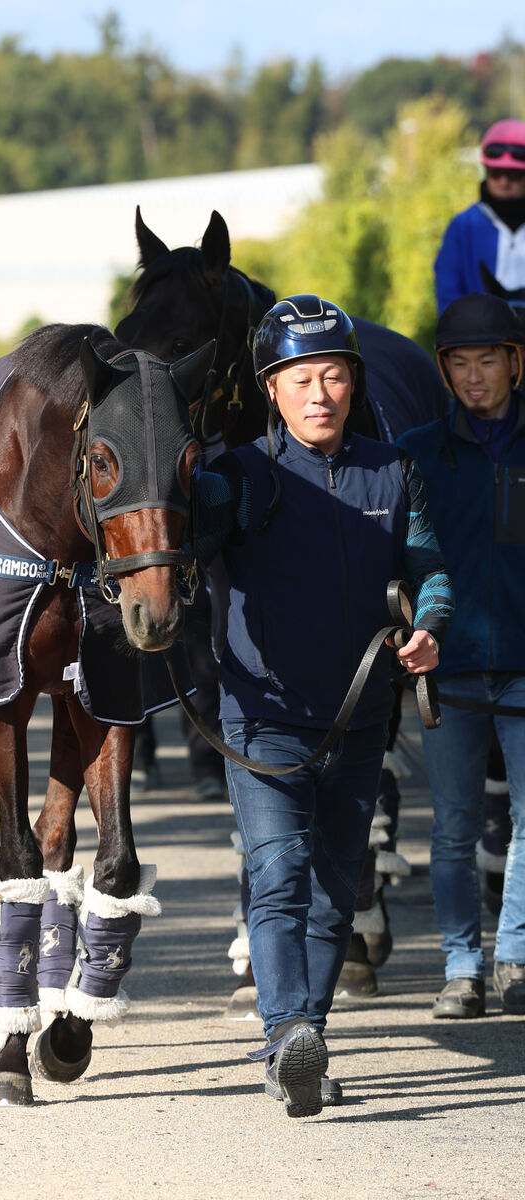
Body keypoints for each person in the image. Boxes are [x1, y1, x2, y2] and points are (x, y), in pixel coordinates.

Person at [195, 294, 453, 1117]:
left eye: (334, 375)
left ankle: (304, 1041)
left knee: (338, 886)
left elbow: (430, 572)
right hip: (262, 718)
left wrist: (429, 628)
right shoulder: (236, 478)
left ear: (353, 383)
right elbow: (165, 543)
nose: (319, 393)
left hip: (361, 716)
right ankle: (286, 1038)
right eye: (301, 377)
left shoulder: (391, 469)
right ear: (270, 389)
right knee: (278, 876)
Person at [397, 291, 525, 1020]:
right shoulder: (417, 453)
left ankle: (513, 955)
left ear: (515, 362)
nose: (474, 377)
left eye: (487, 361)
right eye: (458, 364)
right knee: (451, 824)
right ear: (444, 372)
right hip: (447, 667)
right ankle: (460, 966)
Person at [434, 118, 525, 314]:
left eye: (514, 175)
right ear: (486, 172)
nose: (503, 182)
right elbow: (448, 302)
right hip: (481, 341)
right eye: (496, 173)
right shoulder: (462, 227)